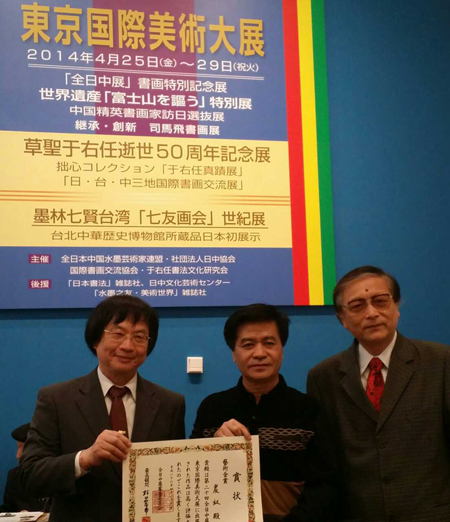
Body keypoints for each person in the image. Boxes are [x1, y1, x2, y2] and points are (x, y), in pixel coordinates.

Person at [19, 295, 185, 522]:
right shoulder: (56, 399)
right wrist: (85, 458)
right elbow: (29, 476)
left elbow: (174, 475)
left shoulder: (170, 404)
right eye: (118, 334)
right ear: (95, 340)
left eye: (139, 337)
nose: (127, 346)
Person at [307, 265, 450, 522]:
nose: (372, 313)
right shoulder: (323, 377)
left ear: (397, 307)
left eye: (381, 301)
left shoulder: (440, 362)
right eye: (357, 306)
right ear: (342, 319)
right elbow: (325, 464)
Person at [191, 303, 336, 522]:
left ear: (282, 350)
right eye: (248, 345)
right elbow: (192, 474)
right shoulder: (212, 408)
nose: (259, 353)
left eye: (269, 343)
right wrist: (214, 446)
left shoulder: (309, 409)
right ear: (234, 354)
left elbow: (324, 485)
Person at [0, 423, 49, 513]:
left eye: (23, 449)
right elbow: (8, 509)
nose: (18, 455)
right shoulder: (15, 476)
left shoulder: (64, 476)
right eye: (18, 448)